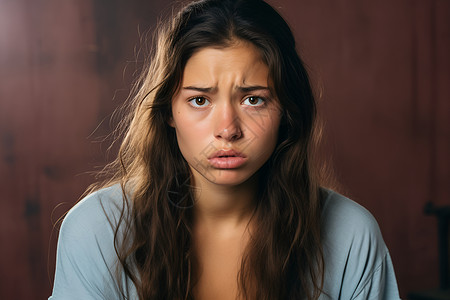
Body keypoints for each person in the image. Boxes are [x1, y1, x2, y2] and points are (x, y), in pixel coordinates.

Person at [49, 0, 401, 299]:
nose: (227, 130)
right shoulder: (97, 230)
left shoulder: (350, 233)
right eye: (200, 100)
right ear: (168, 111)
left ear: (287, 110)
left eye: (253, 99)